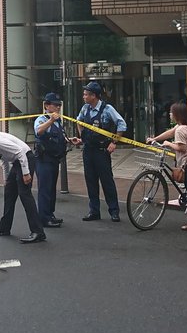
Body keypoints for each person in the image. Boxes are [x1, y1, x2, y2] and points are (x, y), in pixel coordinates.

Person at [69, 81, 127, 222]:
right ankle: (94, 211)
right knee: (91, 181)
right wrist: (82, 137)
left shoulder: (107, 109)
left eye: (86, 94)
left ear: (94, 96)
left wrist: (114, 142)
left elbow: (122, 124)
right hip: (88, 150)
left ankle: (114, 211)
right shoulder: (85, 108)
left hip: (102, 150)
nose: (84, 96)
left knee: (107, 181)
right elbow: (79, 121)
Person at [147, 101, 187, 231]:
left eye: (172, 112)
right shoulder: (185, 126)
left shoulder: (181, 130)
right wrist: (155, 139)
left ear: (177, 114)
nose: (169, 114)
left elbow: (181, 148)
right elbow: (170, 132)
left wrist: (168, 144)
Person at [32, 93, 67, 228]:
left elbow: (59, 137)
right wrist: (51, 120)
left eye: (59, 105)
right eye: (55, 105)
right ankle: (44, 218)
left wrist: (71, 140)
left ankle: (50, 214)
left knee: (51, 189)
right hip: (43, 159)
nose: (58, 107)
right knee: (45, 189)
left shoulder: (58, 121)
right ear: (47, 106)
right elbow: (39, 131)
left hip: (55, 159)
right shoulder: (42, 119)